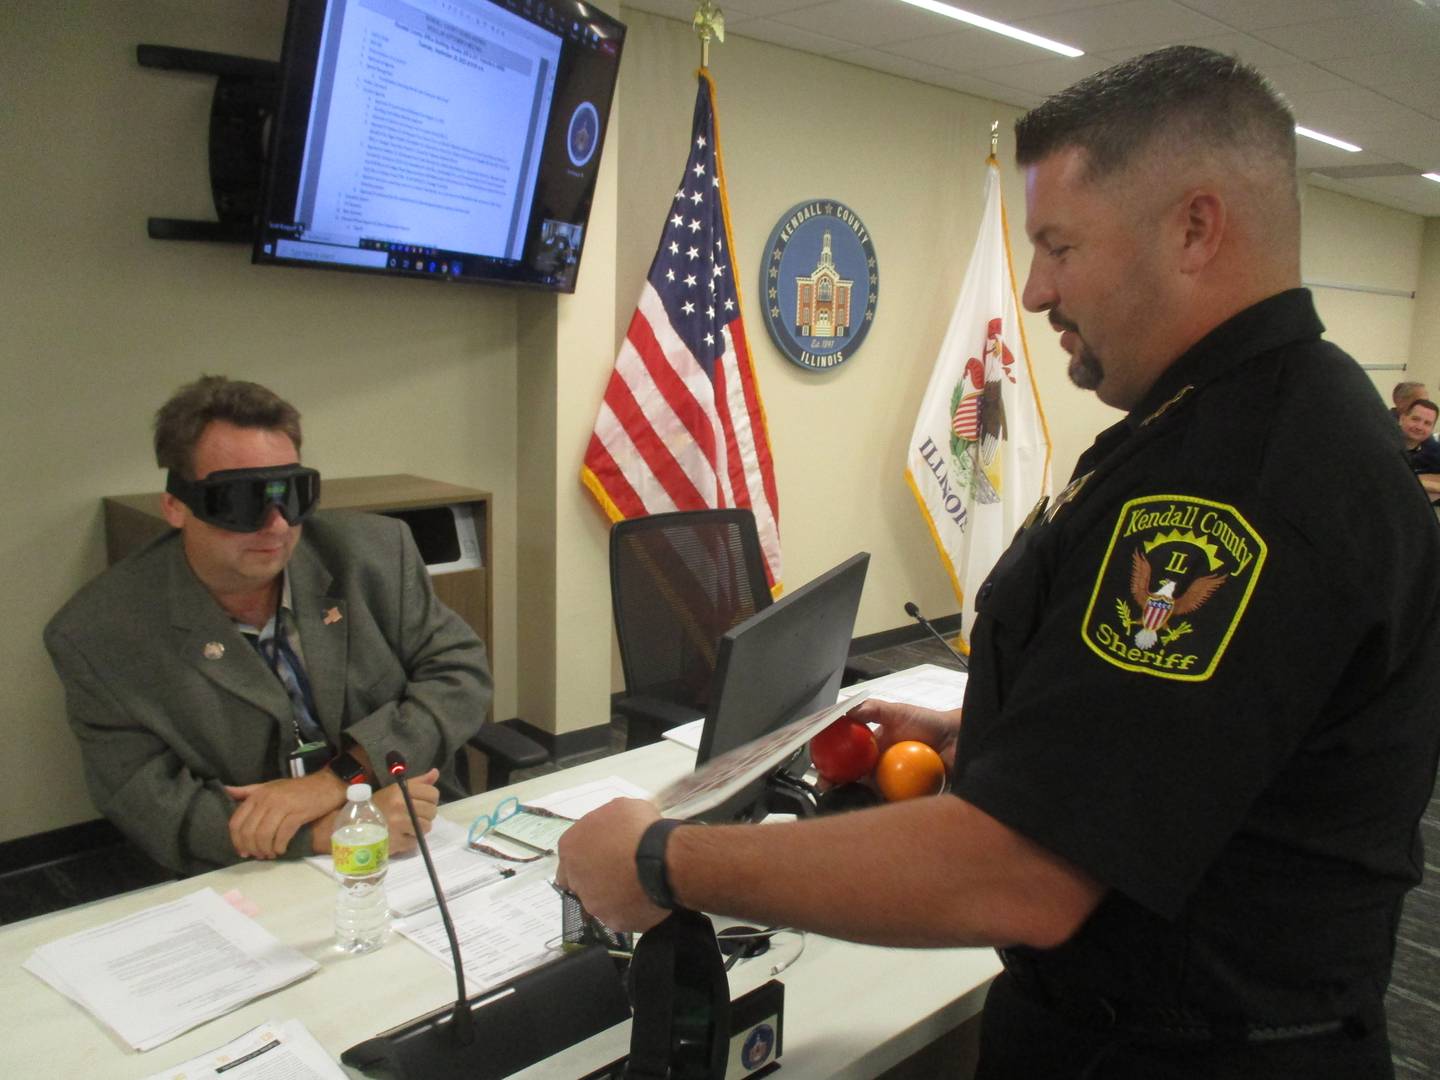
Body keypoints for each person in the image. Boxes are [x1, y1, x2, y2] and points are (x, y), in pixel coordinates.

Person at [556, 46, 1440, 1079]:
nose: (1033, 290)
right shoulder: (1229, 419)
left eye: (1061, 246)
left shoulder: (1241, 480)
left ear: (1196, 229)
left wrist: (665, 860)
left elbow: (1025, 874)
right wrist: (1002, 720)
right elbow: (1206, 741)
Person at [46, 377, 493, 876]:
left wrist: (336, 782)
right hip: (247, 869)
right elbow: (150, 802)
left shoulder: (376, 555)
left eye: (293, 494)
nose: (277, 525)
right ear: (175, 506)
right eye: (241, 501)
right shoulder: (100, 635)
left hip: (412, 831)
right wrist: (328, 831)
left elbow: (460, 675)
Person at [1400, 397, 1440, 503]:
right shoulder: (1385, 445)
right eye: (1415, 419)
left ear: (1432, 428)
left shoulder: (1434, 450)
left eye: (1427, 423)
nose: (1419, 427)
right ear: (1402, 418)